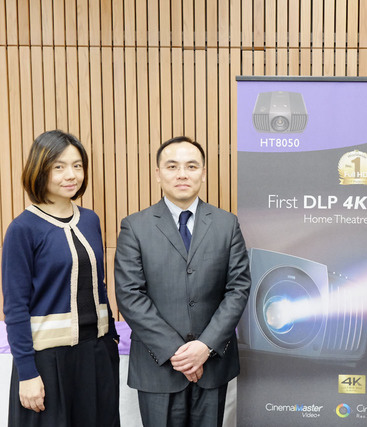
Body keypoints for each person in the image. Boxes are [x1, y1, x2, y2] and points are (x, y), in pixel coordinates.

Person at [114, 136, 251, 427]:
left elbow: (238, 289)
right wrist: (176, 353)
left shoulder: (227, 224)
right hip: (157, 366)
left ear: (203, 172)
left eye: (191, 166)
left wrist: (205, 346)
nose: (182, 174)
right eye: (172, 166)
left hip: (212, 364)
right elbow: (130, 295)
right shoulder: (135, 227)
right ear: (158, 173)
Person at [2, 130, 120, 426]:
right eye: (59, 166)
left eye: (77, 165)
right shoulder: (23, 229)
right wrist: (27, 372)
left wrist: (111, 338)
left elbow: (98, 285)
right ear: (40, 170)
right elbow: (15, 307)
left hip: (97, 354)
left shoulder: (90, 220)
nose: (71, 175)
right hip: (48, 360)